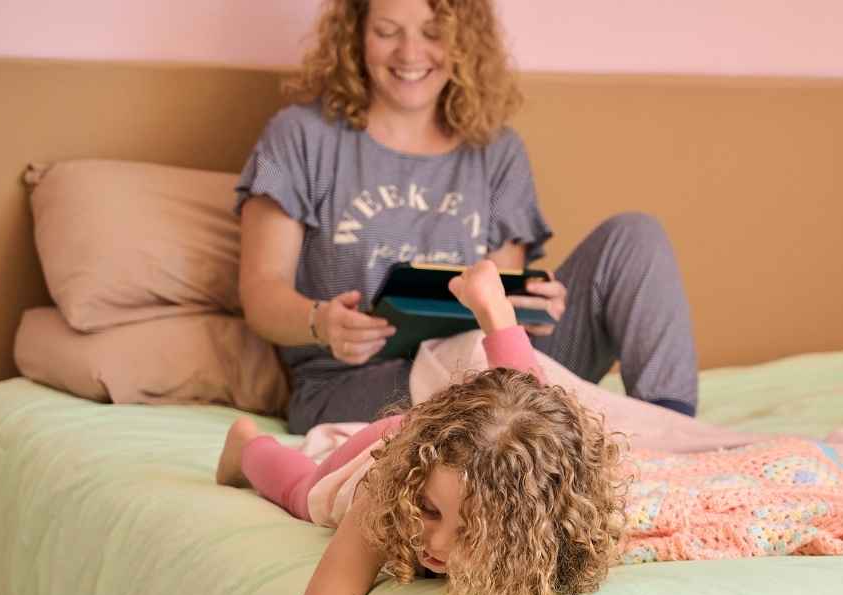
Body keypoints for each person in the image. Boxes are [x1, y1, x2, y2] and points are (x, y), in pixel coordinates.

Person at [215, 262, 627, 595]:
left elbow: (531, 426)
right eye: (433, 515)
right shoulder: (391, 494)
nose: (433, 544)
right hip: (392, 454)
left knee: (527, 406)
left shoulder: (546, 510)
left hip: (476, 448)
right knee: (304, 491)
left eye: (470, 533)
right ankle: (246, 446)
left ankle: (494, 309)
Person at [236, 0, 700, 436]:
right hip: (359, 383)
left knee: (635, 236)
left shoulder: (498, 151)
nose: (410, 53)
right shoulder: (296, 136)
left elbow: (500, 294)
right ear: (356, 35)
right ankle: (593, 428)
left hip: (491, 371)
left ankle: (673, 434)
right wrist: (321, 322)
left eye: (433, 33)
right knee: (488, 384)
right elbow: (260, 290)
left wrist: (530, 307)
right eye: (387, 32)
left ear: (463, 41)